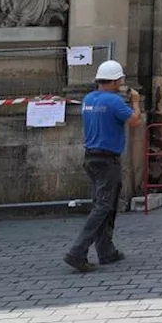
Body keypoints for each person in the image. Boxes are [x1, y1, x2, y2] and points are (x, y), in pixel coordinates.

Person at [64, 60, 141, 272]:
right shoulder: (114, 101)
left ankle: (106, 251)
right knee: (103, 207)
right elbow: (135, 121)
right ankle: (77, 252)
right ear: (116, 81)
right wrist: (135, 102)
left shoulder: (88, 99)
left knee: (105, 204)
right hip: (108, 160)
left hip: (91, 158)